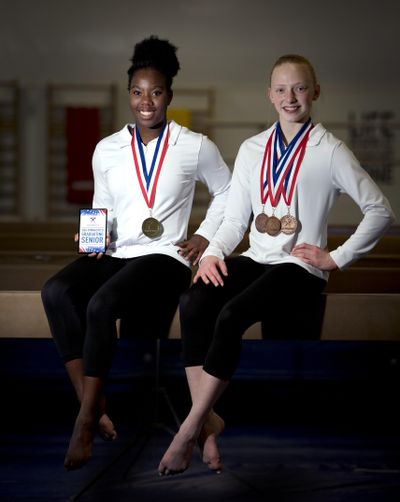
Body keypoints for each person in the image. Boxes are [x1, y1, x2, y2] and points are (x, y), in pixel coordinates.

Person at [158, 54, 395, 475]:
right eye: (282, 89)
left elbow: (379, 210)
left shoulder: (331, 151)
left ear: (315, 92)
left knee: (231, 315)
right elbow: (235, 219)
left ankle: (189, 427)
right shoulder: (252, 149)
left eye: (300, 88)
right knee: (194, 301)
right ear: (269, 95)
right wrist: (213, 253)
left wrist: (335, 257)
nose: (291, 97)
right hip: (256, 258)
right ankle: (208, 425)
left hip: (299, 268)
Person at [41, 35, 231, 471]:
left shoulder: (194, 144)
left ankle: (85, 421)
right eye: (137, 92)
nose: (146, 101)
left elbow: (228, 193)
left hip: (165, 256)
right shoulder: (106, 148)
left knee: (103, 303)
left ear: (169, 95)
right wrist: (92, 237)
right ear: (129, 95)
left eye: (156, 92)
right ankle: (91, 404)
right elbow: (102, 203)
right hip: (118, 252)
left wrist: (204, 236)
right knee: (55, 291)